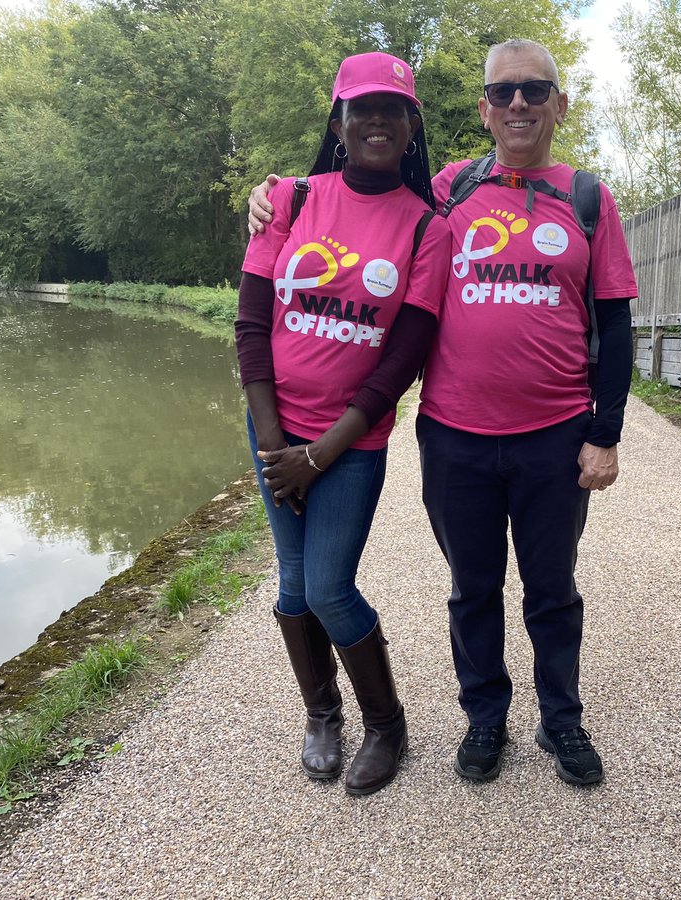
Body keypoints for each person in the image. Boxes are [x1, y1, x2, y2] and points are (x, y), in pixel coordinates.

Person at [249, 39, 638, 787]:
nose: (518, 104)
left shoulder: (589, 197)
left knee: (552, 589)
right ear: (484, 110)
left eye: (534, 91)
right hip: (455, 435)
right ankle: (485, 718)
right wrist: (271, 193)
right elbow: (361, 198)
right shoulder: (450, 189)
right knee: (474, 586)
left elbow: (615, 323)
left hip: (554, 438)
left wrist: (606, 432)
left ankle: (561, 721)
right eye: (503, 93)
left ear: (560, 104)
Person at [236, 51, 449, 796]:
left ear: (411, 126)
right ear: (339, 121)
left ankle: (386, 723)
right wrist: (271, 443)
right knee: (293, 586)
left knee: (328, 586)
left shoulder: (428, 229)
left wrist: (320, 453)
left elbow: (405, 357)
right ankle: (321, 714)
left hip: (350, 443)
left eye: (393, 110)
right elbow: (252, 325)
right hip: (273, 430)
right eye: (362, 109)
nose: (377, 122)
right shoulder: (289, 200)